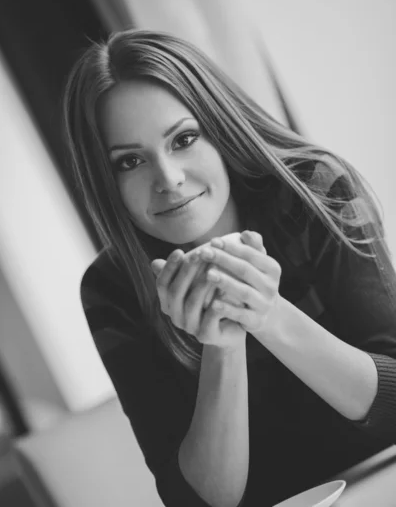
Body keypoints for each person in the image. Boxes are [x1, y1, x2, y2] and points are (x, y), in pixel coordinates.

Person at [63, 28, 396, 507]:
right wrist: (221, 347)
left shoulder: (313, 192)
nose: (169, 179)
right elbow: (198, 502)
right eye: (130, 161)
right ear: (104, 180)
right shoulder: (113, 290)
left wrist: (267, 314)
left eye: (184, 139)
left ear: (218, 129)